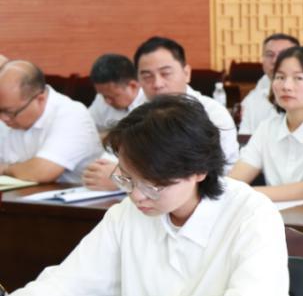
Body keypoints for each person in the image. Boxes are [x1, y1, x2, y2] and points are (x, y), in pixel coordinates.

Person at [0, 95, 298, 296]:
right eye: (126, 179)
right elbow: (70, 285)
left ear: (199, 171)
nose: (137, 196)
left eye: (153, 185)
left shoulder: (252, 214)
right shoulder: (126, 215)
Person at [82, 36, 239, 190]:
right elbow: (111, 160)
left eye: (165, 74)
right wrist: (102, 172)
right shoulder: (139, 115)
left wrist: (123, 180)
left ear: (186, 73)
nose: (157, 84)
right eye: (147, 76)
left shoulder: (213, 115)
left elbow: (205, 175)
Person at [229, 46, 303, 202]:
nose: (286, 86)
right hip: (274, 215)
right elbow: (234, 181)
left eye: (298, 78)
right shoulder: (267, 128)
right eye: (280, 77)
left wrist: (244, 194)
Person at [0, 61, 103, 185]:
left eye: (9, 112)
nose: (3, 118)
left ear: (40, 99)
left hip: (71, 195)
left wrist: (5, 169)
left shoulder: (71, 114)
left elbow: (42, 171)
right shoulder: (11, 110)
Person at [237, 33, 299, 135]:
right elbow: (244, 139)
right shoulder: (251, 100)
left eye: (283, 54)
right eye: (270, 55)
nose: (275, 60)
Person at [87, 53, 144, 136]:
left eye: (112, 97)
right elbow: (86, 128)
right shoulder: (102, 98)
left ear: (133, 86)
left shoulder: (150, 100)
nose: (107, 101)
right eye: (104, 96)